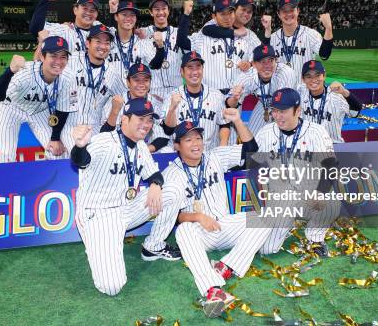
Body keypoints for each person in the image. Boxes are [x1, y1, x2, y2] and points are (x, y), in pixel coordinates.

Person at [71, 97, 185, 296]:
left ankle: (153, 246)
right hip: (98, 214)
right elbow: (81, 161)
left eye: (149, 120)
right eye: (140, 119)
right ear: (124, 119)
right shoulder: (104, 141)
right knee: (112, 287)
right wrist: (79, 146)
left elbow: (154, 174)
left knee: (174, 190)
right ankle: (101, 244)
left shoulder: (140, 145)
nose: (146, 125)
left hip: (126, 208)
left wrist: (157, 185)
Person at [164, 112, 271, 318]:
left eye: (198, 138)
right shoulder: (171, 174)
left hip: (224, 225)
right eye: (188, 139)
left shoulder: (215, 156)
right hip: (200, 233)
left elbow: (251, 150)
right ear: (177, 146)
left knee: (267, 215)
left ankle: (226, 266)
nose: (195, 143)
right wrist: (198, 217)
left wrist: (238, 121)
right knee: (183, 231)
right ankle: (212, 290)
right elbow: (175, 217)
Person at [254, 88, 339, 257]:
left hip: (308, 195)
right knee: (267, 250)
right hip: (280, 199)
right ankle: (285, 225)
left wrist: (321, 192)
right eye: (275, 111)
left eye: (283, 111)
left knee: (332, 203)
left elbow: (331, 165)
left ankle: (315, 238)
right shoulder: (265, 133)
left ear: (298, 110)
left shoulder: (316, 131)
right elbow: (254, 166)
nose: (277, 116)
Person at [0, 36, 77, 162]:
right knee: (6, 156)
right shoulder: (25, 73)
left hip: (39, 111)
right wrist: (10, 71)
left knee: (56, 153)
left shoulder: (69, 77)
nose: (58, 61)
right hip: (11, 108)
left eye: (63, 57)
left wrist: (55, 138)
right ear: (42, 57)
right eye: (53, 56)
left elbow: (63, 109)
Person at [59, 24, 127, 152]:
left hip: (95, 129)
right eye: (98, 41)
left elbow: (123, 97)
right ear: (87, 43)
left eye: (107, 43)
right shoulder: (70, 61)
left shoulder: (112, 73)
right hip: (68, 126)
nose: (102, 46)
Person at [179, 0, 255, 94]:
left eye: (230, 13)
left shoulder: (246, 36)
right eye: (223, 14)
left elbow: (259, 59)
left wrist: (249, 64)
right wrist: (186, 15)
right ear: (214, 16)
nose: (227, 17)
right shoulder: (204, 36)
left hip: (236, 96)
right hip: (211, 95)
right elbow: (181, 42)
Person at [226, 44, 297, 140]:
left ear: (276, 61)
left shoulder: (286, 73)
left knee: (281, 132)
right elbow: (229, 105)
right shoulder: (247, 77)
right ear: (254, 64)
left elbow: (284, 104)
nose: (267, 66)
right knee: (250, 137)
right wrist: (234, 98)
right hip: (263, 104)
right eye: (262, 62)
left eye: (270, 61)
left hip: (287, 108)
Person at [162, 51, 230, 150]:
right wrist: (172, 108)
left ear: (203, 69)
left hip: (209, 153)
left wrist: (223, 146)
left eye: (198, 67)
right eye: (190, 67)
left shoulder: (216, 95)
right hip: (181, 155)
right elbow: (168, 130)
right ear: (182, 71)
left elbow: (224, 124)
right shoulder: (171, 97)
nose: (195, 72)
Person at [100, 62, 171, 153]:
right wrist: (114, 111)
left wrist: (143, 150)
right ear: (128, 82)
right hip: (119, 149)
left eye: (145, 80)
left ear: (150, 83)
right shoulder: (116, 101)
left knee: (167, 150)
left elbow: (164, 137)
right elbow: (103, 135)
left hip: (145, 148)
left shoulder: (155, 102)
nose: (141, 84)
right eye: (136, 80)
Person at [267, 0, 334, 79]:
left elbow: (324, 55)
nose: (288, 14)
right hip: (281, 90)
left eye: (292, 10)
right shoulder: (272, 39)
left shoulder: (310, 34)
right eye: (284, 11)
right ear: (278, 14)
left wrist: (328, 28)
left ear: (298, 11)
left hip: (304, 89)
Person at [297, 60, 362, 143]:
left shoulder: (336, 96)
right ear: (303, 79)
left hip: (332, 145)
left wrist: (344, 92)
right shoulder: (300, 92)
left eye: (317, 75)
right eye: (309, 76)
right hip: (307, 145)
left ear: (324, 76)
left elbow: (355, 112)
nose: (313, 80)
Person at [29, 0, 101, 60]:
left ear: (97, 14)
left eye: (92, 10)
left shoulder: (102, 32)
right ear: (75, 10)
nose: (88, 13)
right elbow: (36, 28)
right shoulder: (64, 29)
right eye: (85, 8)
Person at [107, 0, 165, 87]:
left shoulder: (143, 42)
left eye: (132, 15)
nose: (128, 18)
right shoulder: (106, 40)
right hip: (111, 97)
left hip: (136, 96)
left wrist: (160, 47)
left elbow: (155, 65)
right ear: (116, 17)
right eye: (124, 14)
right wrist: (112, 10)